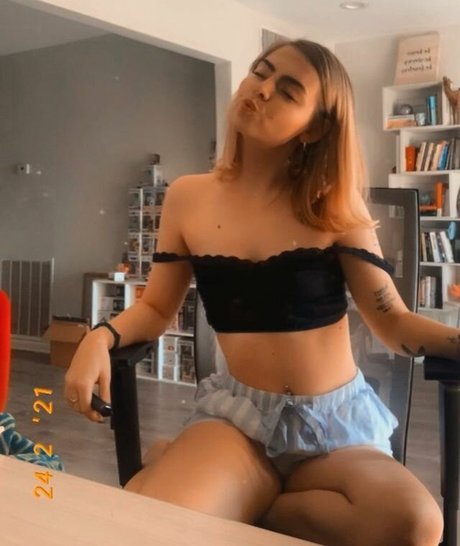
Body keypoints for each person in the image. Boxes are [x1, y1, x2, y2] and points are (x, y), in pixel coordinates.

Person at [64, 39, 449, 546]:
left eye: (287, 91)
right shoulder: (187, 197)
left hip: (336, 430)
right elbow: (156, 307)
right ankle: (224, 489)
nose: (262, 89)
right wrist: (99, 336)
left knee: (417, 525)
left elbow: (391, 321)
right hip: (239, 424)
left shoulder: (334, 205)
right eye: (260, 72)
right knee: (154, 531)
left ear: (315, 127)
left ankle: (238, 501)